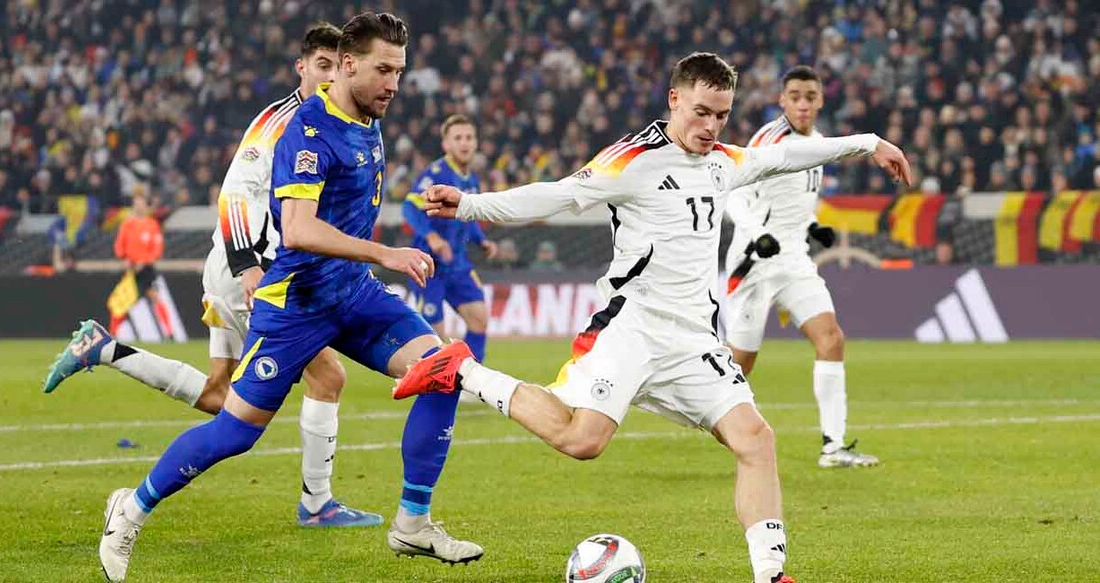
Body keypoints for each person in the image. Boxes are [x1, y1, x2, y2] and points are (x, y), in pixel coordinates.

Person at [399, 52, 911, 583]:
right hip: (633, 327)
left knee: (756, 440)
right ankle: (463, 370)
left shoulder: (725, 161)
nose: (711, 127)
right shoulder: (633, 160)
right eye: (701, 112)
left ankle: (771, 574)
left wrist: (869, 143)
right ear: (674, 100)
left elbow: (792, 156)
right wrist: (470, 205)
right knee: (582, 442)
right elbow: (557, 195)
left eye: (722, 115)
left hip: (694, 340)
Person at [95, 14, 482, 581]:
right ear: (348, 66)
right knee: (233, 432)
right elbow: (297, 230)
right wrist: (385, 253)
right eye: (382, 70)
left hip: (353, 295)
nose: (393, 84)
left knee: (444, 370)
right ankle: (129, 509)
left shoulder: (368, 116)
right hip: (297, 305)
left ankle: (413, 524)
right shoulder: (307, 130)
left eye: (399, 71)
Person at [44, 23, 380, 529]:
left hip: (245, 263)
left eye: (339, 66)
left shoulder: (330, 121)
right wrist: (250, 267)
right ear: (303, 67)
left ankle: (107, 349)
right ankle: (316, 504)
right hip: (251, 267)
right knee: (326, 377)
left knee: (221, 395)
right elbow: (235, 195)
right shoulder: (280, 124)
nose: (332, 75)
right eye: (322, 66)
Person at [721, 66, 880, 469]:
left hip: (794, 259)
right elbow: (733, 197)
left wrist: (814, 226)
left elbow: (795, 201)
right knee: (740, 363)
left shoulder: (819, 145)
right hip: (754, 261)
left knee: (831, 337)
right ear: (782, 100)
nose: (803, 104)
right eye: (795, 96)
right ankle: (698, 406)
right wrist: (757, 233)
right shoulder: (768, 141)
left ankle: (834, 446)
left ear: (821, 100)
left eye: (810, 96)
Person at [402, 114, 497, 361]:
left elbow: (469, 216)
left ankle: (471, 384)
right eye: (458, 138)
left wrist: (480, 240)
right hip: (430, 266)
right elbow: (409, 207)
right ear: (446, 144)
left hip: (458, 264)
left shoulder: (471, 179)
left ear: (476, 143)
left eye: (469, 137)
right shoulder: (435, 174)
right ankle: (432, 387)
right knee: (436, 337)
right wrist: (432, 236)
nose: (464, 143)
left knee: (479, 318)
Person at [111, 192, 172, 340]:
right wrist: (125, 259)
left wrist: (144, 262)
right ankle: (112, 333)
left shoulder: (152, 225)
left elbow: (157, 249)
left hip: (146, 269)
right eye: (136, 204)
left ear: (146, 206)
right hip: (130, 270)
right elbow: (119, 246)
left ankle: (169, 332)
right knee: (123, 301)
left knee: (155, 297)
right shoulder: (127, 224)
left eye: (141, 203)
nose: (138, 207)